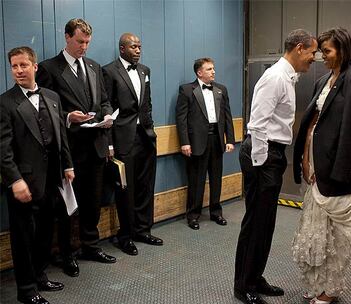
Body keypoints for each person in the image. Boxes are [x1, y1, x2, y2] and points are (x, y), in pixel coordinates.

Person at [234, 29, 318, 304]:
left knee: (266, 223)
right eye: (312, 52)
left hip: (272, 154)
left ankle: (255, 277)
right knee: (256, 222)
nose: (313, 58)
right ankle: (243, 285)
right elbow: (257, 125)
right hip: (263, 155)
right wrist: (260, 166)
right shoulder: (275, 77)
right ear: (298, 48)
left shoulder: (287, 77)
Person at [292, 28, 351, 304]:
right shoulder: (323, 80)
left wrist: (337, 175)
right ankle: (318, 284)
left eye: (327, 51)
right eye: (321, 51)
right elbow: (312, 123)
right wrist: (304, 157)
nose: (322, 56)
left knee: (339, 239)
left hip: (338, 176)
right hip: (316, 168)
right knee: (317, 233)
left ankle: (330, 290)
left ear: (343, 50)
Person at [36, 18, 116, 277]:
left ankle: (91, 246)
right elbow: (43, 112)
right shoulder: (49, 68)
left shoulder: (93, 66)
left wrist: (106, 117)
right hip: (68, 150)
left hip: (96, 146)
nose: (84, 47)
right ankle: (66, 253)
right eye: (80, 41)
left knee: (92, 201)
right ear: (67, 37)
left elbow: (104, 100)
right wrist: (69, 117)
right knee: (66, 206)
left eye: (88, 42)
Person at [0, 46, 74, 304]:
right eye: (14, 66)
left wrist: (68, 166)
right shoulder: (5, 102)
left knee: (44, 232)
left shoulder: (52, 96)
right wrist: (15, 180)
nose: (18, 70)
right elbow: (2, 148)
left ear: (35, 67)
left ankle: (41, 276)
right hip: (23, 183)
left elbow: (60, 135)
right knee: (23, 238)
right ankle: (27, 290)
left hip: (52, 179)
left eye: (23, 65)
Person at [102, 33, 163, 255]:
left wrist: (151, 128)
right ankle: (125, 236)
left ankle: (143, 230)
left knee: (146, 185)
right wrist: (109, 144)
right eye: (133, 46)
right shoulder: (109, 71)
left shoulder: (145, 70)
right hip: (122, 138)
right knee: (125, 189)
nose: (138, 50)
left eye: (139, 46)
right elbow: (105, 107)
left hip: (145, 136)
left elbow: (146, 104)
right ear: (122, 49)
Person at [176, 58, 235, 230]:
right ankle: (193, 215)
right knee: (196, 180)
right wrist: (184, 142)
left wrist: (229, 139)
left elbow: (227, 116)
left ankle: (216, 212)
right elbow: (181, 119)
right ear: (199, 72)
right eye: (209, 69)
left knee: (216, 178)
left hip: (217, 140)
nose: (213, 72)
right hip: (196, 142)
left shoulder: (221, 90)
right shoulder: (187, 90)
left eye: (213, 68)